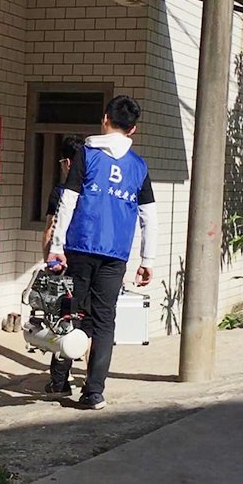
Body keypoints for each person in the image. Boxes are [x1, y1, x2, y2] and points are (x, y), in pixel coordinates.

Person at [46, 95, 157, 409]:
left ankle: (59, 381)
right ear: (133, 129)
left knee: (69, 312)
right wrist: (147, 259)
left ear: (105, 119)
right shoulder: (139, 166)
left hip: (80, 246)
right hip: (116, 254)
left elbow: (68, 201)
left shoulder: (87, 154)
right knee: (105, 320)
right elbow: (149, 216)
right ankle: (94, 391)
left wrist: (57, 246)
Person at [42, 135, 84, 258]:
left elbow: (49, 230)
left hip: (63, 255)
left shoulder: (59, 192)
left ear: (68, 163)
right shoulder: (93, 192)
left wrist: (48, 261)